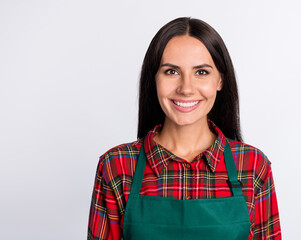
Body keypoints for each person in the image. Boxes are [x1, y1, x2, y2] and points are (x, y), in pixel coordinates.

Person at [88, 17, 281, 240]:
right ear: (154, 79)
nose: (186, 88)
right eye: (172, 71)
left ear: (220, 81)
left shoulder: (254, 166)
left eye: (201, 72)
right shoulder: (116, 167)